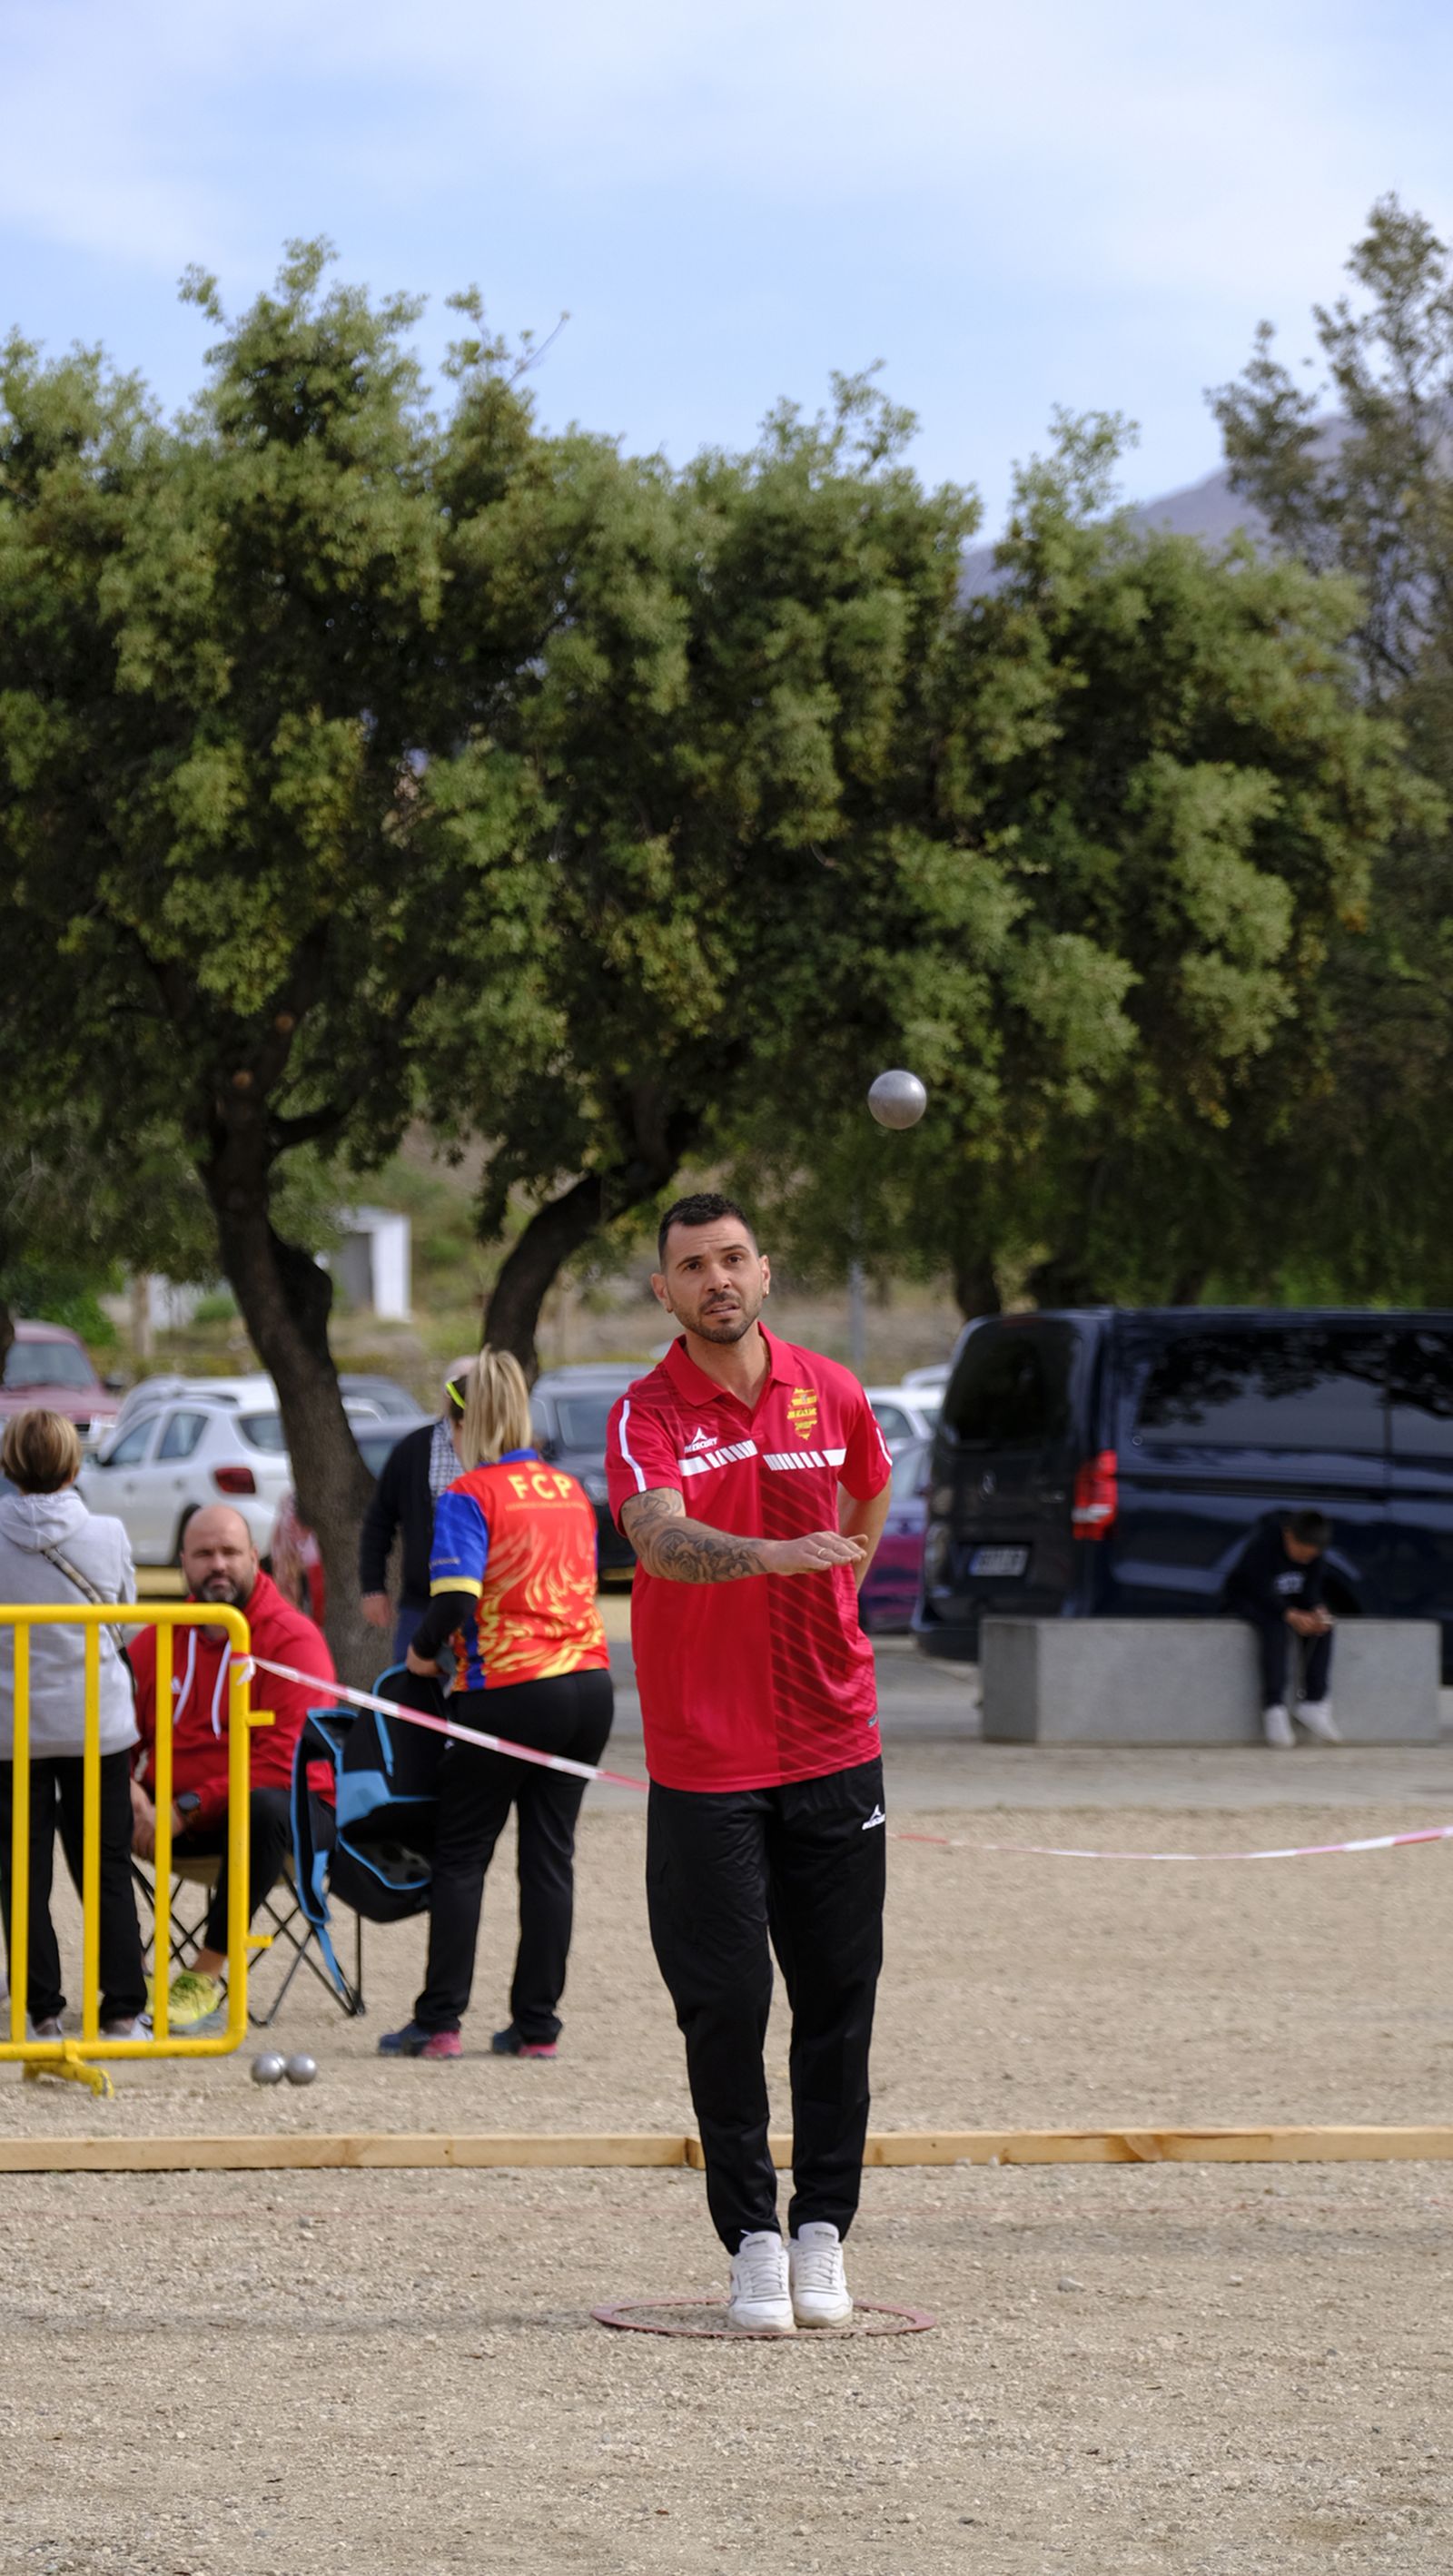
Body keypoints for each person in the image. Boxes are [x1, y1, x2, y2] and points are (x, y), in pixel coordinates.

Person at [604, 1192, 894, 2334]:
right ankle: (755, 2241)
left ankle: (823, 2229)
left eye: (732, 1257)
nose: (716, 1277)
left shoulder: (834, 1387)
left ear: (764, 1270)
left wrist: (835, 1586)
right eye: (692, 1265)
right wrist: (777, 1555)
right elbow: (658, 1537)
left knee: (837, 2000)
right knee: (723, 2003)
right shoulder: (645, 1412)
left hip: (835, 1737)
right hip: (705, 1756)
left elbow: (867, 1489)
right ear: (665, 1291)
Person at [379, 1347, 613, 2063]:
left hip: (509, 1688)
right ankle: (536, 2025)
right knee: (550, 1858)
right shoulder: (570, 1490)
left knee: (462, 1855)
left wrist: (421, 1654)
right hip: (589, 1683)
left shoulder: (469, 1494)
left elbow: (454, 1596)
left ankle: (439, 2020)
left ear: (464, 1422)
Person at [128, 1504, 337, 2028]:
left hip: (279, 1818)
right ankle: (126, 1972)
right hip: (171, 1815)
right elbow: (114, 1735)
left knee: (266, 1806)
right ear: (183, 1563)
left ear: (254, 1557)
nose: (217, 1565)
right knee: (81, 1800)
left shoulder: (293, 1637)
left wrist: (186, 1808)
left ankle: (205, 1976)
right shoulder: (159, 1638)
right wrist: (128, 1790)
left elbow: (285, 1761)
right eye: (204, 1554)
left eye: (229, 1552)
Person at [0, 1408, 147, 2040]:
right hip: (97, 1722)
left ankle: (40, 2011)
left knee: (23, 1870)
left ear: (9, 1464)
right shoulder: (108, 1532)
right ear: (74, 1463)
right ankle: (121, 2007)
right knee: (105, 1863)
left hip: (12, 1725)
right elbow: (127, 1615)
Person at [359, 1363, 474, 1663]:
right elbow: (379, 1521)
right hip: (421, 1602)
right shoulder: (414, 1448)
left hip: (482, 1606)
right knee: (410, 1693)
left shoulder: (500, 1452)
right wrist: (373, 1587)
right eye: (457, 1385)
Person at [1223, 1508, 1340, 1749]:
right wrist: (1290, 1614)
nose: (1304, 1560)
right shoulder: (1263, 1547)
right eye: (1300, 1553)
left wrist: (1316, 1611)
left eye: (1310, 1556)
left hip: (1287, 1603)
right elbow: (1257, 1589)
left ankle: (1314, 1703)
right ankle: (1274, 1707)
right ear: (1288, 1536)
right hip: (1248, 1600)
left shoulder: (1315, 1557)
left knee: (1324, 1628)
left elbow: (1310, 1592)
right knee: (1275, 1628)